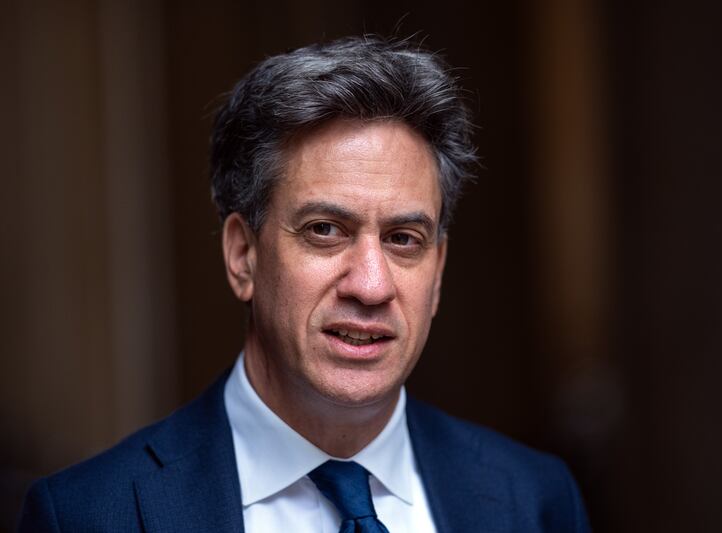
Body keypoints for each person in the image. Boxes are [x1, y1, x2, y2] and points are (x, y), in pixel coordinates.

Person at [18, 35, 590, 532]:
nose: (371, 286)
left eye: (403, 239)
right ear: (242, 255)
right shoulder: (88, 515)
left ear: (437, 272)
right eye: (325, 230)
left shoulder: (533, 499)